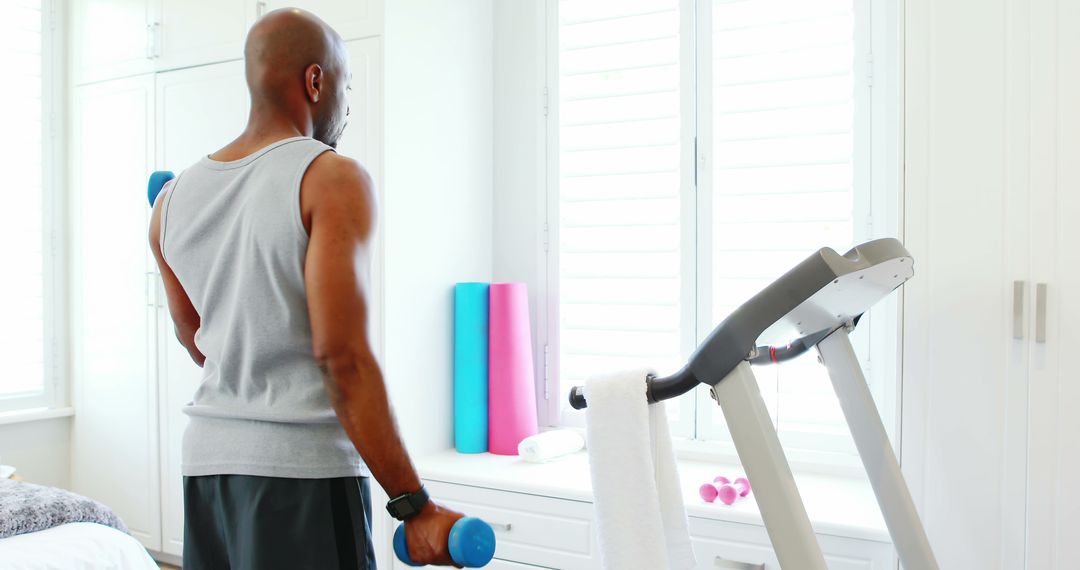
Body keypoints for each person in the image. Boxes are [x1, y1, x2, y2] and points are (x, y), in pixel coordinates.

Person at [148, 8, 464, 569]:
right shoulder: (331, 177)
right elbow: (341, 359)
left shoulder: (170, 203)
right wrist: (415, 507)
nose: (347, 105)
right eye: (346, 85)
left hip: (206, 471)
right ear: (316, 81)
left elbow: (197, 339)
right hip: (300, 476)